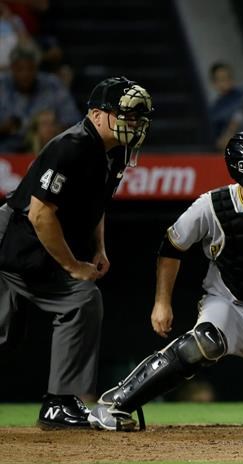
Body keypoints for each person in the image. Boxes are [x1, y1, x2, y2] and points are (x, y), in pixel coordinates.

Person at [88, 131, 243, 431]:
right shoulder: (211, 205)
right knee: (202, 344)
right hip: (228, 306)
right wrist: (161, 302)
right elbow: (172, 246)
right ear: (239, 169)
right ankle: (113, 404)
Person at [0, 76, 153, 428]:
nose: (134, 124)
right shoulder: (70, 146)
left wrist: (98, 248)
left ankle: (60, 402)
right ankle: (59, 402)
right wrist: (73, 265)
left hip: (36, 245)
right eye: (126, 115)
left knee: (82, 300)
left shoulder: (113, 152)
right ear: (98, 115)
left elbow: (96, 205)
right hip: (12, 243)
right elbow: (40, 214)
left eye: (138, 117)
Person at [0, 43, 79, 152]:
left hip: (46, 150)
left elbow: (72, 121)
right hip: (5, 148)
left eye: (30, 68)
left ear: (37, 68)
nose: (25, 74)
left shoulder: (53, 85)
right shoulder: (2, 85)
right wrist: (3, 127)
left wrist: (52, 129)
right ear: (12, 68)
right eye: (19, 69)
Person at [208, 62, 243, 152]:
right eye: (221, 79)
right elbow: (217, 139)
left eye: (227, 78)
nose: (225, 82)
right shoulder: (215, 109)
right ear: (214, 83)